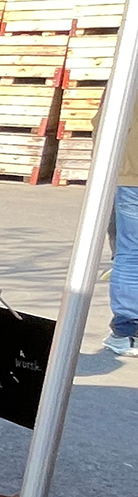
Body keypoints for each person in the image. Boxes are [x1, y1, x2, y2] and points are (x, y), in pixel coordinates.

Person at [103, 103, 138, 356]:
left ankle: (127, 331)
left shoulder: (129, 70)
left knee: (129, 253)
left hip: (131, 176)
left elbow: (102, 122)